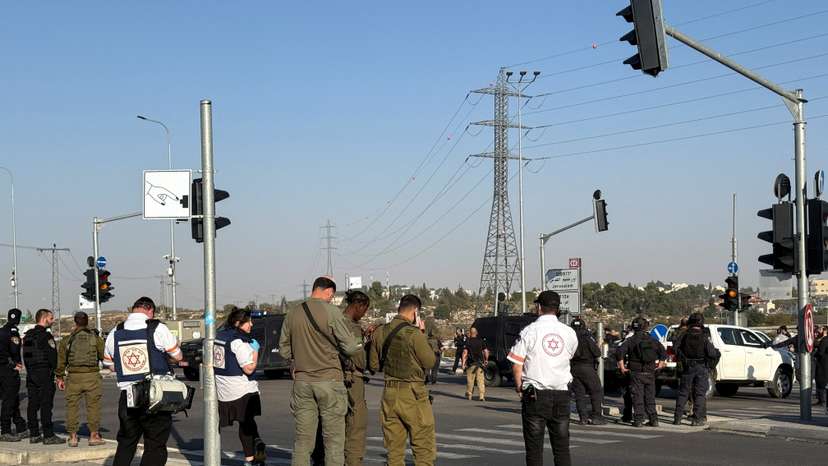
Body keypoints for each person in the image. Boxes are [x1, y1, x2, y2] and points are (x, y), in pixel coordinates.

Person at [279, 277, 361, 466]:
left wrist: (299, 357)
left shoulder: (293, 313)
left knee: (302, 443)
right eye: (332, 296)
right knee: (333, 443)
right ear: (328, 292)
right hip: (329, 382)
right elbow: (349, 347)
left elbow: (283, 350)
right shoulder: (331, 311)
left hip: (302, 383)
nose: (332, 299)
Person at [103, 297, 183, 466]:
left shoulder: (115, 331)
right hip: (154, 395)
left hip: (128, 396)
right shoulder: (157, 328)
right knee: (155, 444)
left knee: (126, 442)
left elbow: (109, 364)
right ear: (150, 310)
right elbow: (178, 356)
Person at [507, 291, 577, 466]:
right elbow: (570, 355)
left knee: (534, 448)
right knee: (562, 448)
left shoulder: (530, 331)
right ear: (558, 308)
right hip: (561, 394)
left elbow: (517, 363)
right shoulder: (569, 332)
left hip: (535, 395)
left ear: (539, 307)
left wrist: (519, 387)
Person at [369, 294, 436, 466]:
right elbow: (430, 361)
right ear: (415, 312)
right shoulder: (414, 334)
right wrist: (423, 335)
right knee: (423, 448)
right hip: (413, 394)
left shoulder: (379, 332)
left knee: (394, 451)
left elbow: (374, 365)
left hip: (389, 394)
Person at [310, 290, 373, 466]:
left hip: (326, 378)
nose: (364, 314)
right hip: (351, 381)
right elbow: (360, 361)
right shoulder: (351, 327)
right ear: (358, 306)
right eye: (364, 310)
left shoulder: (330, 322)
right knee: (355, 426)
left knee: (327, 424)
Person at [215, 308, 266, 466]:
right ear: (238, 323)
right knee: (246, 423)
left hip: (223, 389)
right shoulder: (239, 341)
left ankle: (256, 447)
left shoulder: (218, 336)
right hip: (242, 390)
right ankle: (251, 458)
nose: (251, 324)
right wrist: (256, 351)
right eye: (248, 321)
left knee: (246, 422)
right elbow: (249, 368)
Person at [56, 311, 105, 447]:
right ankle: (94, 435)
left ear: (75, 322)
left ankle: (72, 437)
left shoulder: (67, 340)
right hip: (92, 376)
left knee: (72, 406)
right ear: (87, 321)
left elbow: (61, 362)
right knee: (93, 406)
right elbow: (103, 356)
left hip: (73, 377)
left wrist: (59, 377)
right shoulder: (96, 339)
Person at [615, 317, 666, 427]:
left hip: (636, 373)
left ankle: (638, 420)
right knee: (650, 397)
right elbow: (663, 352)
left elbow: (619, 352)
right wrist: (659, 366)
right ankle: (654, 419)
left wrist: (622, 367)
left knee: (637, 396)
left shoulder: (631, 340)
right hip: (650, 372)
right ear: (646, 327)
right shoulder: (652, 340)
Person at [22, 309, 62, 444]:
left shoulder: (28, 336)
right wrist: (57, 374)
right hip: (44, 373)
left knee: (32, 404)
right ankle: (48, 435)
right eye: (51, 318)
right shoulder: (46, 336)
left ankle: (34, 433)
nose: (53, 320)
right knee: (46, 404)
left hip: (31, 373)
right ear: (45, 319)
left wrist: (31, 371)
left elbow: (26, 358)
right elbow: (53, 358)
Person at [672, 313, 720, 426]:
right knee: (699, 394)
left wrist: (683, 357)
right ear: (701, 323)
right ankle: (697, 419)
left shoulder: (684, 335)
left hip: (687, 367)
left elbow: (675, 349)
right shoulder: (704, 336)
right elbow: (712, 353)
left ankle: (677, 418)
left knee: (683, 393)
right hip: (701, 368)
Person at [569, 317, 605, 425]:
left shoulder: (570, 337)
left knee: (579, 393)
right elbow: (597, 353)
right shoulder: (587, 337)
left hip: (573, 367)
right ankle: (596, 417)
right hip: (587, 367)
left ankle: (583, 418)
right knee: (596, 391)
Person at [0, 309, 28, 441]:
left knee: (13, 399)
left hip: (2, 369)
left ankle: (20, 426)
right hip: (9, 370)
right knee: (9, 400)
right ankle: (5, 430)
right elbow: (14, 350)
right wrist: (16, 364)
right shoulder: (13, 332)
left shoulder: (1, 331)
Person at [462, 327, 488, 401]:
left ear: (470, 333)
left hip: (470, 364)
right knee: (480, 381)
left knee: (470, 380)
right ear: (476, 333)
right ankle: (481, 396)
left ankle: (469, 395)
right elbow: (486, 351)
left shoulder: (468, 341)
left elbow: (465, 353)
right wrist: (486, 360)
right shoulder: (481, 341)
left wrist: (463, 364)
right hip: (480, 364)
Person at [815, 326, 828, 411]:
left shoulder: (824, 340)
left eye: (821, 329)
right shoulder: (822, 339)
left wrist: (814, 354)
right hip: (825, 362)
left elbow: (820, 352)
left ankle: (822, 400)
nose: (819, 330)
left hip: (823, 363)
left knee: (821, 381)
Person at [425, 319, 441, 385]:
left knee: (427, 368)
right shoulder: (437, 340)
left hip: (428, 355)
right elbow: (441, 347)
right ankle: (433, 379)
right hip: (436, 355)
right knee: (435, 369)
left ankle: (427, 378)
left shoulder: (426, 340)